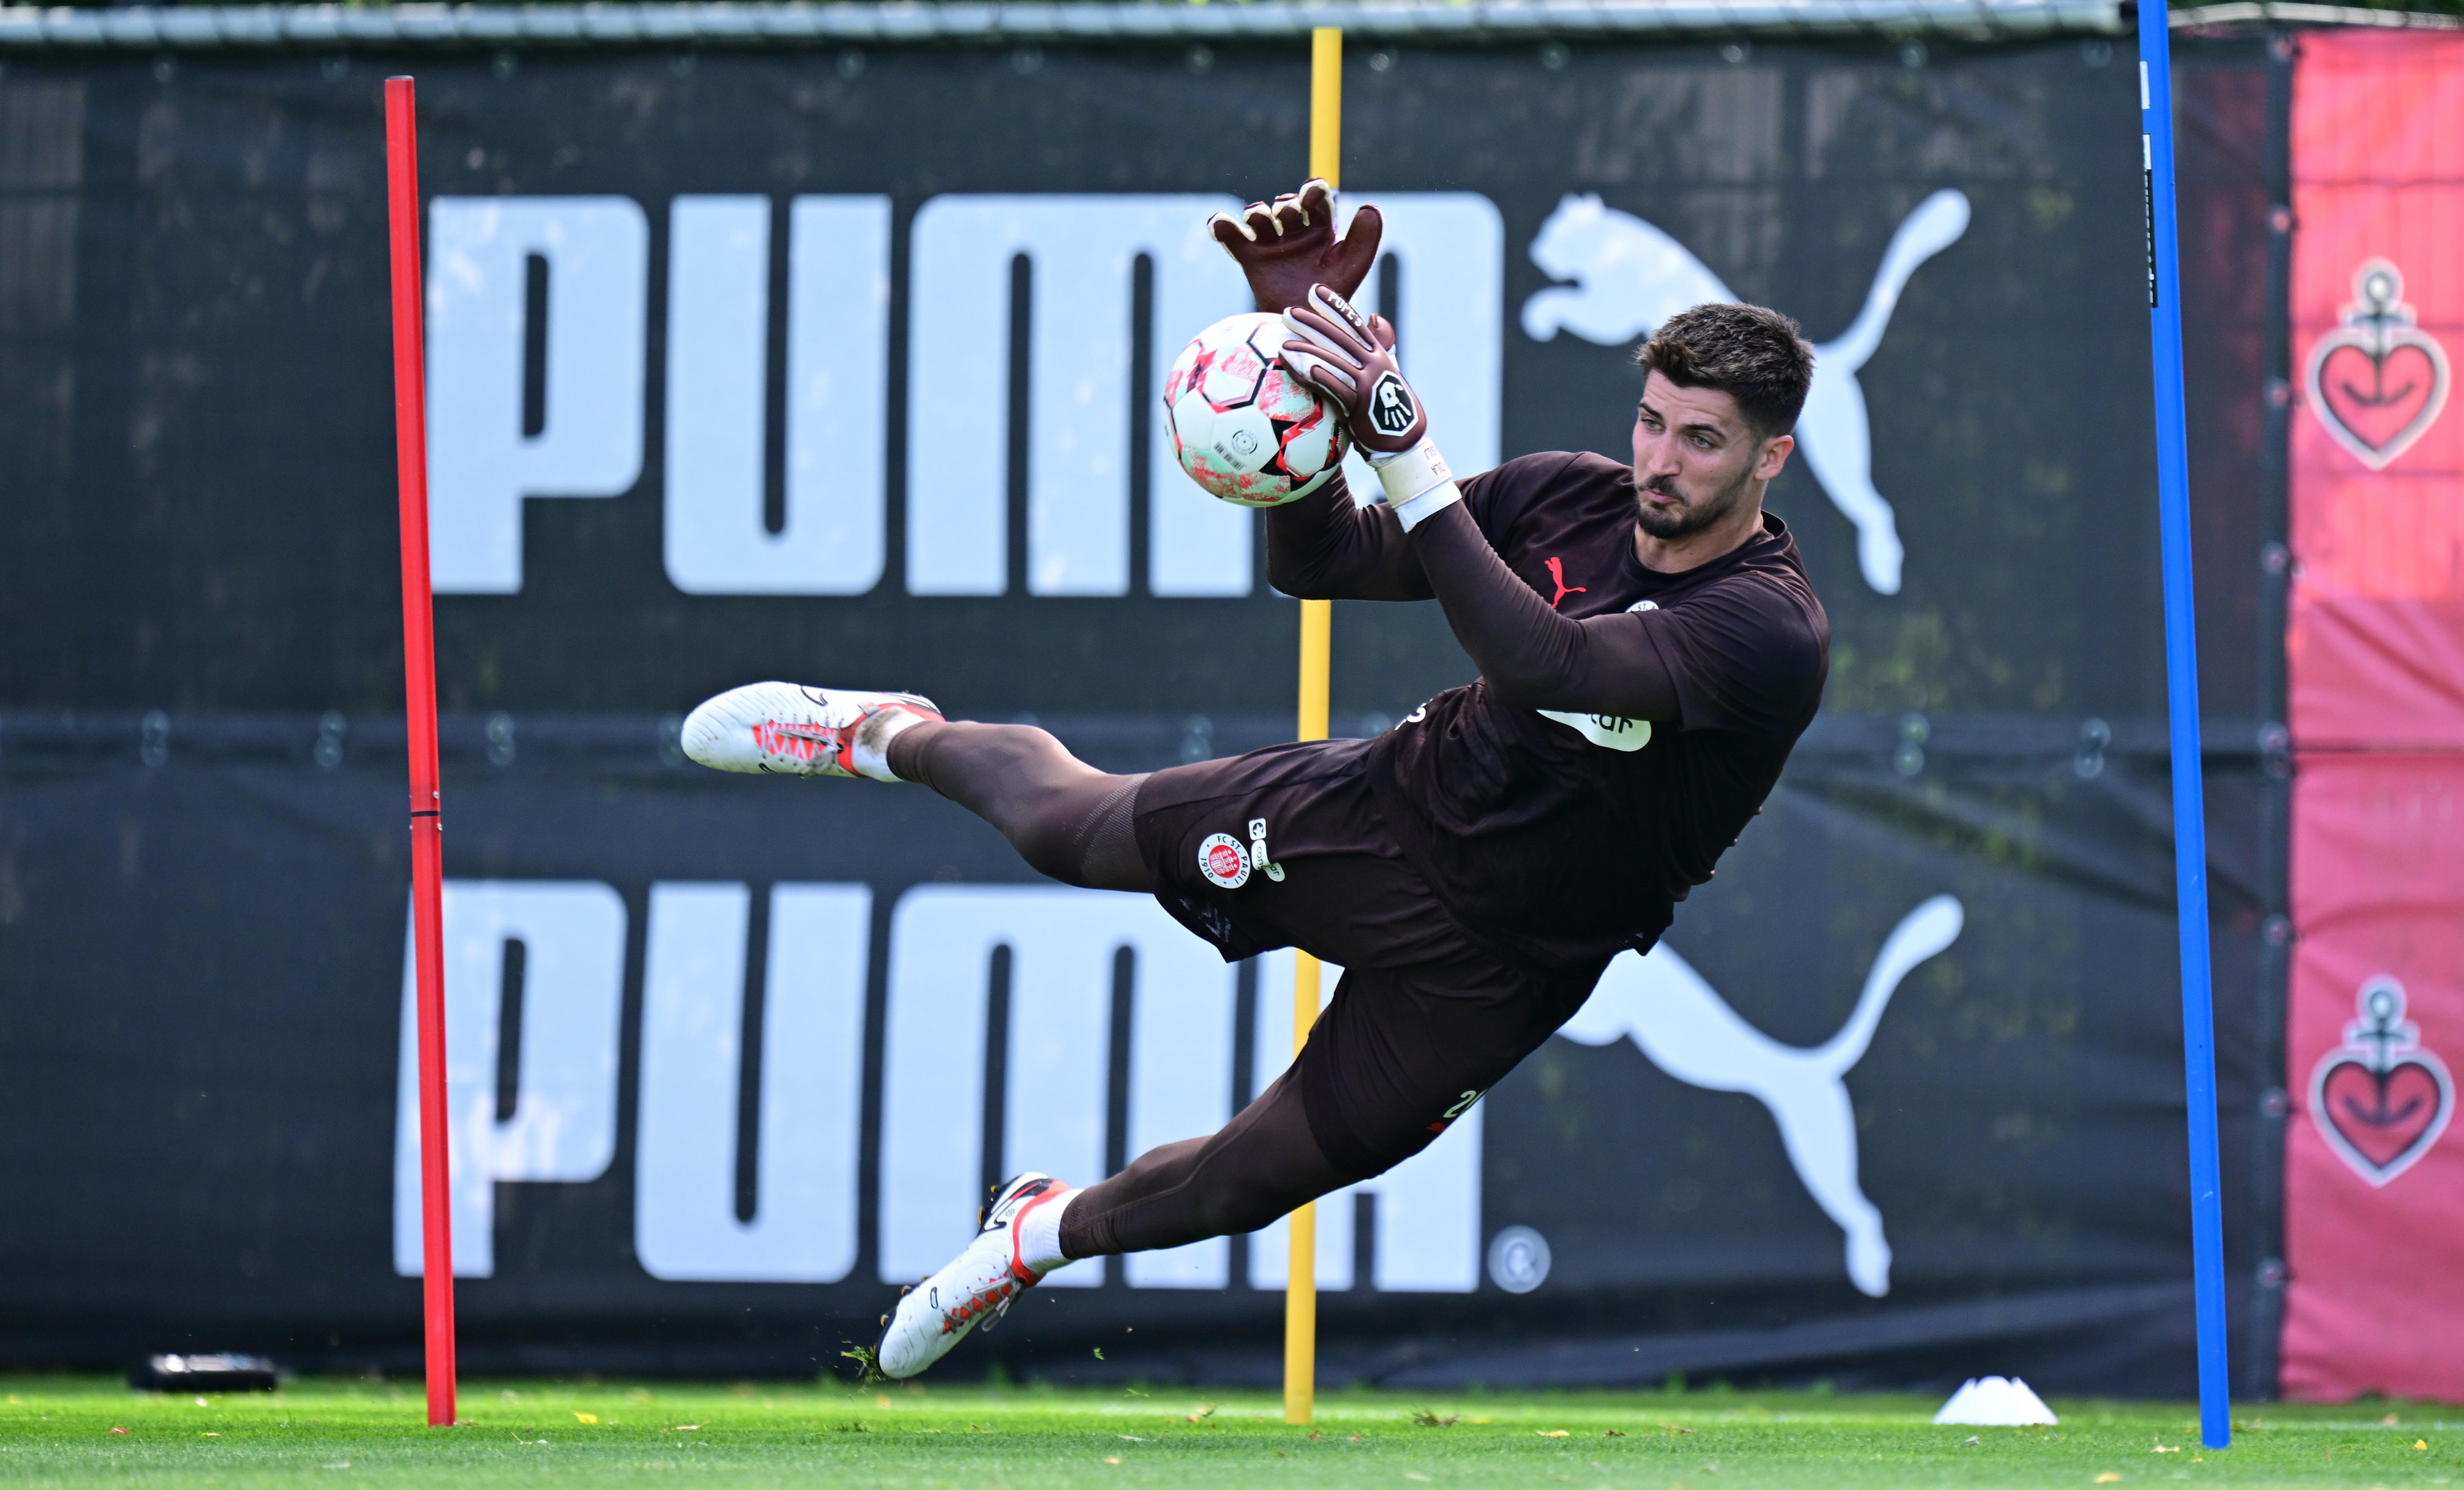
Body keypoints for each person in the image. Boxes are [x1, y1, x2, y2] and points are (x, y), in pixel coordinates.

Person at [677, 181, 1830, 1380]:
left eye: (1699, 441)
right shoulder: (1566, 495)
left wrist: (1405, 454)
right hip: (1387, 808)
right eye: (1651, 421)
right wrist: (1300, 406)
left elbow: (1543, 663)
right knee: (1063, 828)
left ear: (1769, 455)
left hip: (1509, 960)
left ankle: (1032, 1235)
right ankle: (882, 734)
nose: (1660, 459)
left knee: (1247, 1179)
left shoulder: (1766, 627)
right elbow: (1326, 558)